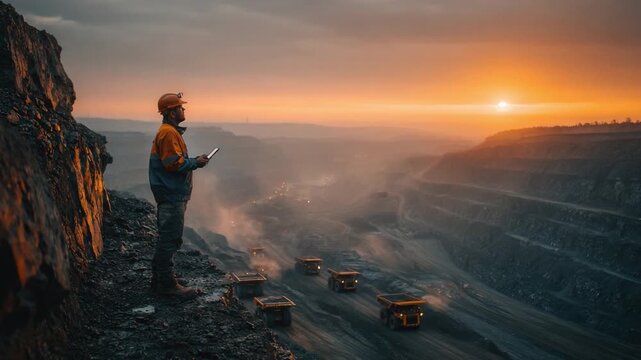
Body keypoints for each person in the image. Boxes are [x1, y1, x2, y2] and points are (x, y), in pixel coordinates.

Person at [149, 92, 209, 297]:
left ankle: (161, 278)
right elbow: (172, 163)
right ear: (172, 112)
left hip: (171, 193)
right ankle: (166, 285)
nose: (184, 110)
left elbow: (173, 159)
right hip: (171, 194)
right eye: (180, 107)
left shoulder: (170, 132)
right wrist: (196, 163)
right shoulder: (168, 133)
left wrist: (193, 160)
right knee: (170, 238)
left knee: (167, 236)